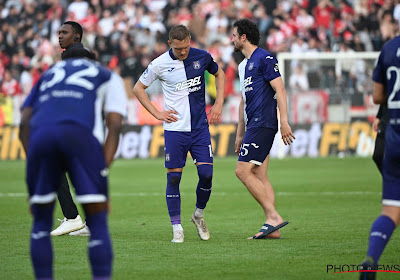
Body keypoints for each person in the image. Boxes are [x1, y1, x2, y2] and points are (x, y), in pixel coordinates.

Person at [19, 48, 127, 280]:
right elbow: (115, 126)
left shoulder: (51, 72)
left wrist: (34, 170)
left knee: (40, 224)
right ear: (93, 61)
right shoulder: (107, 75)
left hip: (41, 138)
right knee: (97, 222)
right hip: (81, 137)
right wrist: (102, 171)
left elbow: (25, 121)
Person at [132, 24, 225, 243]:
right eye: (178, 48)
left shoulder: (202, 57)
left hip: (200, 128)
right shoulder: (159, 64)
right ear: (169, 44)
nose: (182, 52)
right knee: (174, 178)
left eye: (185, 47)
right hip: (175, 130)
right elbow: (138, 88)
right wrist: (156, 113)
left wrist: (219, 103)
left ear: (190, 40)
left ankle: (198, 214)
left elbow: (219, 74)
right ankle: (177, 228)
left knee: (207, 175)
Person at [231, 19, 295, 239]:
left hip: (263, 122)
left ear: (243, 37)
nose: (232, 39)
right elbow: (243, 100)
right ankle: (272, 229)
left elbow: (280, 89)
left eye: (234, 35)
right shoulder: (243, 65)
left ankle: (272, 216)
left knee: (242, 171)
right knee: (259, 173)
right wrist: (240, 133)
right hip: (253, 125)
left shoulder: (265, 58)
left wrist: (284, 121)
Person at [359, 35, 400, 280]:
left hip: (394, 139)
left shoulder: (390, 47)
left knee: (390, 212)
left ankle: (371, 260)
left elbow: (376, 95)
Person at [51, 21, 89, 236]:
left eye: (64, 32)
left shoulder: (74, 54)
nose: (59, 36)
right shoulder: (79, 53)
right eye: (59, 32)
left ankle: (72, 217)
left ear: (76, 36)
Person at [372, 104, 389, 174]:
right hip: (385, 120)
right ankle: (390, 178)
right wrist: (379, 116)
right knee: (377, 155)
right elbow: (383, 98)